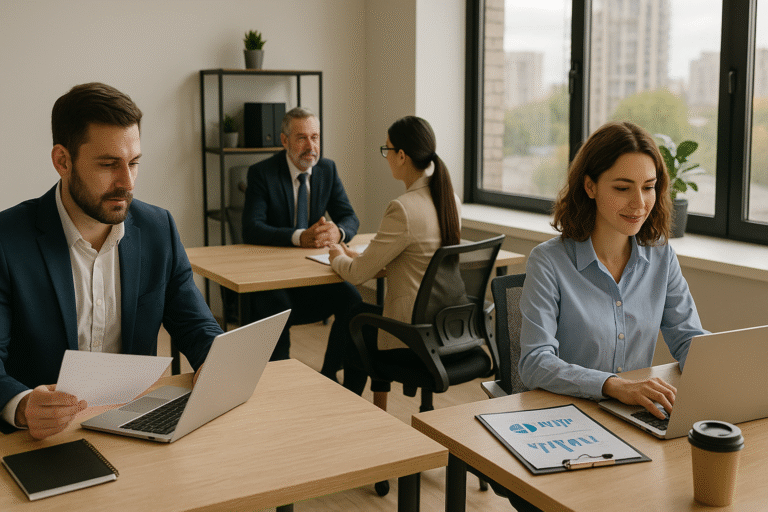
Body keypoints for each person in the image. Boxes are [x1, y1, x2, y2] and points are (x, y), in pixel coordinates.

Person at [0, 82, 223, 439]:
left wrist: (217, 360)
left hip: (134, 427)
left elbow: (197, 327)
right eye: (108, 164)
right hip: (37, 440)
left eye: (134, 163)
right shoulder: (7, 240)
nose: (127, 182)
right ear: (62, 161)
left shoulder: (158, 229)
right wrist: (23, 405)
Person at [518, 121, 707, 421]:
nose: (639, 203)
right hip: (566, 416)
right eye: (622, 188)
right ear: (590, 186)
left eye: (648, 187)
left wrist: (731, 370)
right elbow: (534, 362)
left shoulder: (661, 256)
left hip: (632, 415)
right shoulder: (548, 262)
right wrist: (613, 386)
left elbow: (689, 340)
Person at [328, 116, 462, 395]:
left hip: (412, 336)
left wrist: (336, 256)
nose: (385, 156)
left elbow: (356, 275)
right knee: (361, 316)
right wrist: (359, 255)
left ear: (401, 156)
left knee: (357, 317)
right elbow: (419, 259)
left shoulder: (403, 208)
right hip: (445, 327)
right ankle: (343, 395)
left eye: (386, 149)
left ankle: (344, 399)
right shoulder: (450, 199)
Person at [241, 107, 361, 379]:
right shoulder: (262, 173)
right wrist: (298, 237)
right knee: (277, 308)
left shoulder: (327, 170)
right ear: (284, 141)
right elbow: (251, 229)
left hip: (313, 276)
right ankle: (280, 383)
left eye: (315, 137)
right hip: (273, 279)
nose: (311, 146)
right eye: (302, 138)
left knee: (354, 302)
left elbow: (350, 217)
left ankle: (330, 375)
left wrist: (337, 232)